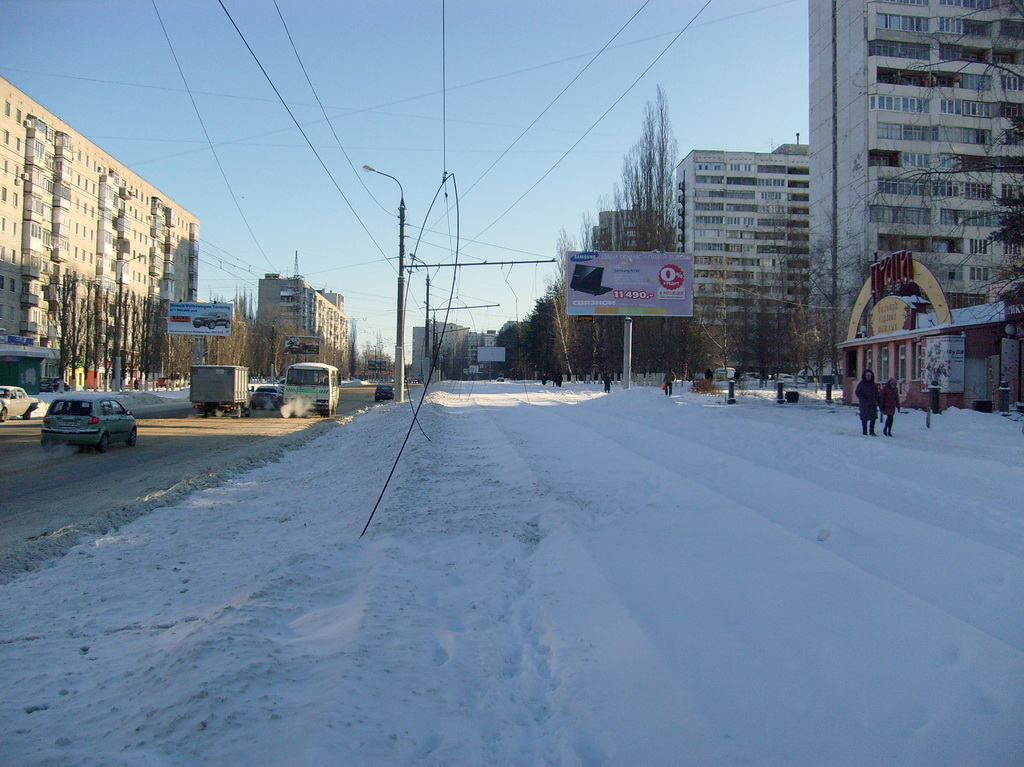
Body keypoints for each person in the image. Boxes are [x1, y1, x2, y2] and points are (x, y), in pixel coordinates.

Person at [855, 369, 881, 436]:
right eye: (867, 376)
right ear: (864, 376)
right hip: (864, 404)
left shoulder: (873, 384)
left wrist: (879, 402)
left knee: (873, 418)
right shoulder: (861, 384)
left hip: (872, 403)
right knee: (864, 418)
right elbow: (857, 392)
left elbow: (876, 394)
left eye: (870, 376)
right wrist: (862, 399)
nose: (868, 377)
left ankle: (871, 431)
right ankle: (864, 431)